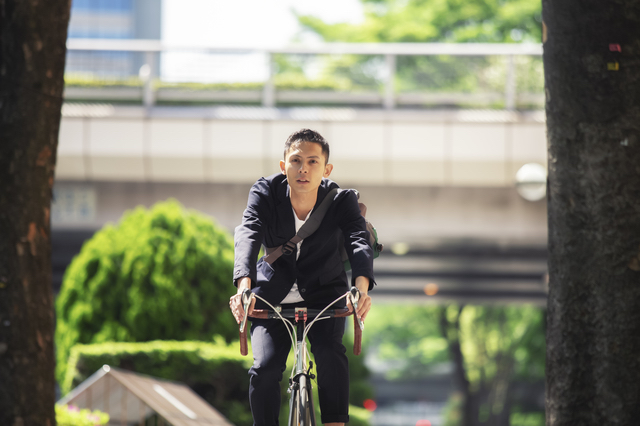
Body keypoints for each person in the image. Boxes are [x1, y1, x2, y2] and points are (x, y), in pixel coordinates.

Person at [229, 128, 375, 426]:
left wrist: (360, 287)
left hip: (326, 296)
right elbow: (249, 231)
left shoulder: (341, 200)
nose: (303, 169)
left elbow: (358, 239)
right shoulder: (265, 192)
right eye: (296, 161)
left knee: (330, 353)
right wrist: (244, 284)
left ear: (326, 169)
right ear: (283, 166)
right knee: (265, 368)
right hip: (270, 298)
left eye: (312, 162)